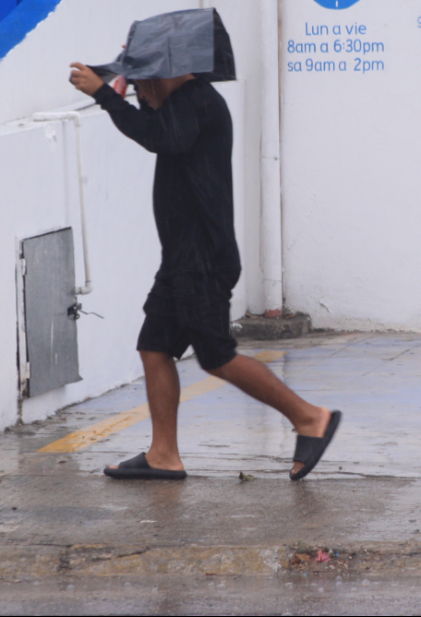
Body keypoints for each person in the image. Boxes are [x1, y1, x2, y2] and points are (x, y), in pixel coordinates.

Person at [68, 62, 341, 481]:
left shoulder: (197, 101)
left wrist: (104, 96)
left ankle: (309, 418)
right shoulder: (181, 102)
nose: (139, 89)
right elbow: (157, 125)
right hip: (182, 257)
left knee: (216, 356)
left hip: (202, 259)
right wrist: (123, 89)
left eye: (142, 79)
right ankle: (163, 454)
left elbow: (156, 136)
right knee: (154, 347)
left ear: (166, 71)